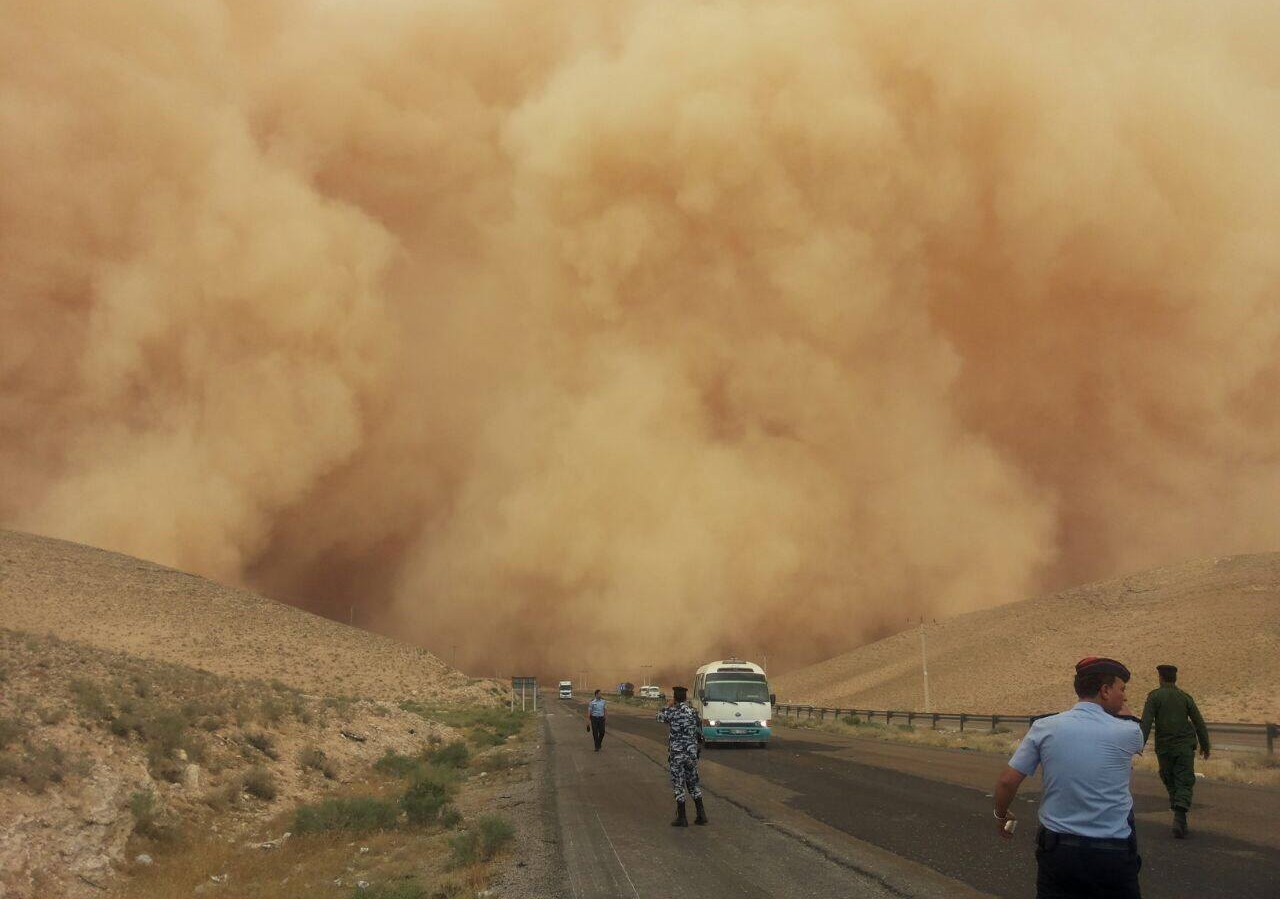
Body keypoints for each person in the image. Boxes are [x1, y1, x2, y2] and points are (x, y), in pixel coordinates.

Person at [993, 657, 1145, 899]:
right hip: (1112, 855)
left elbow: (1007, 782)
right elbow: (1130, 720)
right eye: (1121, 689)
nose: (1124, 697)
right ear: (1105, 690)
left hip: (1059, 853)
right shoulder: (1129, 731)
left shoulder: (1044, 727)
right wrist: (1120, 711)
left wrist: (1001, 814)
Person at [1140, 664, 1210, 838]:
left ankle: (1179, 817)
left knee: (1169, 778)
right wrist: (1205, 745)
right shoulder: (1185, 697)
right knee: (1184, 780)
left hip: (1164, 748)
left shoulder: (1154, 697)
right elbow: (1199, 722)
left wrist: (1138, 744)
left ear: (1160, 678)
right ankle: (1180, 816)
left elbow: (1146, 722)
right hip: (1184, 747)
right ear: (1175, 678)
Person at [656, 686, 707, 826]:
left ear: (675, 698)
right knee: (693, 784)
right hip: (691, 754)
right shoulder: (693, 712)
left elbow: (658, 717)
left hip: (677, 755)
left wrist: (668, 705)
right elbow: (700, 733)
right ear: (685, 697)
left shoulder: (672, 711)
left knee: (679, 784)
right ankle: (701, 814)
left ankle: (682, 818)